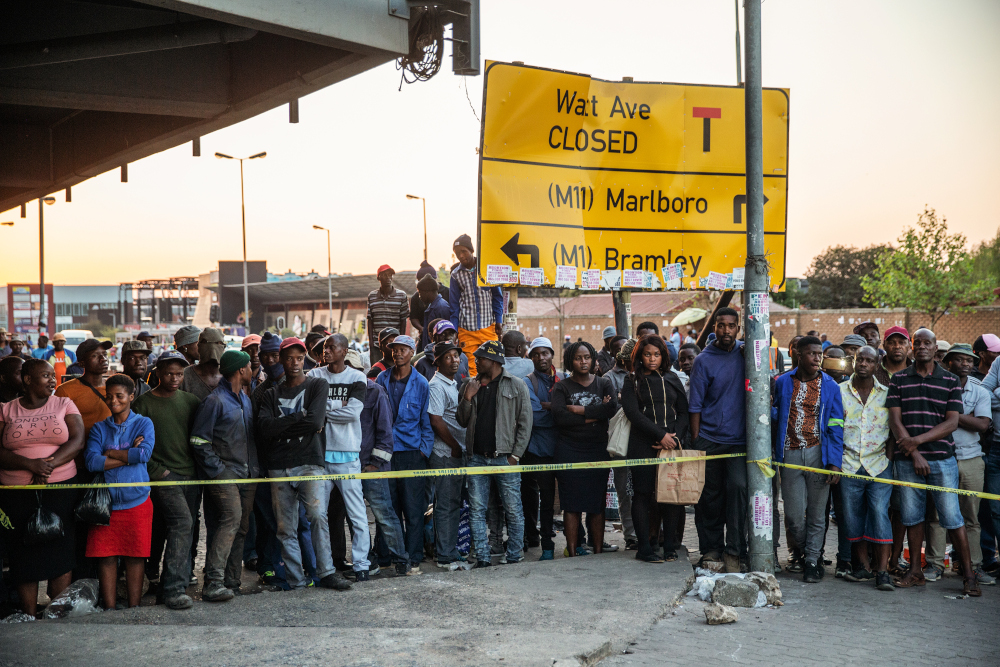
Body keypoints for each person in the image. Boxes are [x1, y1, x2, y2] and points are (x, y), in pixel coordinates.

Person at [886, 328, 980, 596]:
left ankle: (970, 575)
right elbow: (895, 420)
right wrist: (914, 452)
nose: (922, 347)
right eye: (918, 343)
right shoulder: (900, 379)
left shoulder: (950, 380)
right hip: (908, 461)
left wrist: (917, 442)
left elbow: (951, 423)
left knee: (952, 517)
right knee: (912, 517)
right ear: (913, 347)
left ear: (935, 346)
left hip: (942, 459)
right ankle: (915, 571)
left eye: (928, 343)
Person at [258, 337, 350, 591]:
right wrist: (301, 416)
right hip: (278, 466)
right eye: (289, 358)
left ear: (304, 358)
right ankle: (296, 579)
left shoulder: (317, 385)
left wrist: (284, 425)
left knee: (318, 516)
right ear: (281, 360)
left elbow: (316, 421)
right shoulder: (270, 394)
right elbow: (265, 428)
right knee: (285, 527)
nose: (295, 363)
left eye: (299, 358)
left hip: (310, 462)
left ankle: (327, 572)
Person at [0, 359, 85, 617]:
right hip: (17, 493)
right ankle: (28, 611)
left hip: (60, 488)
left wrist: (46, 467)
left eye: (53, 375)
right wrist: (29, 464)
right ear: (27, 379)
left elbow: (78, 440)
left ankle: (56, 612)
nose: (52, 380)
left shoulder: (64, 403)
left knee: (60, 545)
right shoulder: (6, 410)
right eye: (45, 376)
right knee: (23, 549)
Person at [132, 351, 202, 609]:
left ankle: (176, 583)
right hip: (163, 477)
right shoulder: (143, 404)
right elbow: (134, 444)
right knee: (182, 523)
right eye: (170, 373)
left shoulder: (191, 401)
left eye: (179, 373)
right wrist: (158, 471)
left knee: (185, 527)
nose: (175, 378)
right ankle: (171, 589)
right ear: (158, 374)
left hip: (190, 476)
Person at [772, 336, 844, 582]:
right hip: (789, 455)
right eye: (811, 353)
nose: (817, 358)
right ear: (798, 355)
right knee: (793, 516)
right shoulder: (782, 382)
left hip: (818, 455)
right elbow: (773, 414)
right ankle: (803, 552)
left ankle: (813, 561)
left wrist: (834, 462)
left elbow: (836, 425)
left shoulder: (830, 386)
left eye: (819, 354)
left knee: (816, 514)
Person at [189, 349, 260, 601]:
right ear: (241, 370)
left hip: (247, 474)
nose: (253, 370)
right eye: (250, 366)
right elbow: (199, 441)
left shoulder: (245, 399)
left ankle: (232, 581)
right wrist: (218, 472)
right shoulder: (215, 401)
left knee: (241, 527)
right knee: (231, 519)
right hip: (225, 475)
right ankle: (214, 581)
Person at [924, 343, 994, 586]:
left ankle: (973, 567)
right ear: (948, 362)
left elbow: (983, 425)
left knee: (971, 516)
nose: (966, 364)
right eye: (960, 359)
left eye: (970, 360)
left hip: (972, 458)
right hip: (942, 458)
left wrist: (951, 416)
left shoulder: (980, 391)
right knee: (936, 515)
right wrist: (963, 419)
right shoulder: (936, 386)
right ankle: (934, 565)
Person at [84, 374, 155, 609]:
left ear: (131, 397)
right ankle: (110, 609)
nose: (113, 401)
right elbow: (92, 463)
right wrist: (127, 457)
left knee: (136, 557)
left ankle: (134, 608)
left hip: (137, 502)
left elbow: (143, 455)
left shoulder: (144, 423)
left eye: (119, 396)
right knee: (106, 558)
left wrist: (110, 454)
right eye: (109, 396)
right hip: (106, 507)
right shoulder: (98, 428)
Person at [457, 340, 531, 566]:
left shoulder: (516, 385)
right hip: (477, 458)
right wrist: (468, 397)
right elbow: (462, 420)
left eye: (480, 358)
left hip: (505, 458)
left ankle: (514, 555)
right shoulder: (470, 385)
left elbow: (525, 423)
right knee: (477, 511)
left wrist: (515, 456)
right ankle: (483, 557)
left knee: (513, 510)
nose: (476, 362)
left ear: (495, 360)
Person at [688, 307, 748, 571]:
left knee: (738, 489)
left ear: (738, 328)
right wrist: (697, 439)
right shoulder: (703, 360)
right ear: (714, 328)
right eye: (721, 325)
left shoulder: (747, 354)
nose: (726, 330)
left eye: (731, 326)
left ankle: (735, 550)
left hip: (740, 441)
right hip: (710, 439)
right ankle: (711, 549)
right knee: (709, 497)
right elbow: (695, 405)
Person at [309, 333, 372, 582]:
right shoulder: (314, 376)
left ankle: (361, 565)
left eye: (332, 347)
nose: (326, 351)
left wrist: (324, 411)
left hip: (348, 457)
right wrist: (338, 407)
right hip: (320, 458)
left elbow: (354, 413)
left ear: (344, 351)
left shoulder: (357, 377)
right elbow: (310, 411)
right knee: (317, 515)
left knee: (357, 515)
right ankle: (323, 566)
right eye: (325, 348)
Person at [621, 335, 689, 563]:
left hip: (671, 444)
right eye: (647, 354)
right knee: (642, 495)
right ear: (639, 355)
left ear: (663, 356)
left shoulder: (671, 378)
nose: (652, 359)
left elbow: (683, 411)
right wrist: (660, 435)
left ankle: (669, 546)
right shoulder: (632, 380)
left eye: (657, 354)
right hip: (642, 444)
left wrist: (673, 438)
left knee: (670, 496)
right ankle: (644, 548)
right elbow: (633, 413)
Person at [344, 350, 409, 575]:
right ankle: (367, 560)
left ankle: (401, 559)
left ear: (360, 370)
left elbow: (385, 434)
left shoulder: (374, 392)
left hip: (372, 467)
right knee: (356, 519)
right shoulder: (341, 393)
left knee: (385, 515)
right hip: (349, 464)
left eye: (351, 367)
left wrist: (373, 464)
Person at [836, 346, 895, 590]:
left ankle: (883, 571)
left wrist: (888, 459)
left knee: (880, 513)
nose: (863, 364)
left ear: (877, 364)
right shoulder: (839, 391)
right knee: (852, 517)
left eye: (869, 360)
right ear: (853, 361)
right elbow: (833, 428)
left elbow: (893, 430)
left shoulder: (887, 394)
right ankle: (863, 567)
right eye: (860, 359)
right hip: (848, 465)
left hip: (879, 465)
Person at [550, 340, 616, 558]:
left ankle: (597, 551)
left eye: (587, 357)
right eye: (578, 358)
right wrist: (592, 416)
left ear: (593, 359)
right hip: (569, 449)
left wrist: (579, 410)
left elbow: (610, 408)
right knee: (572, 504)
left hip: (598, 449)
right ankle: (572, 549)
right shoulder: (562, 387)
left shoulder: (604, 383)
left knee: (597, 504)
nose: (583, 361)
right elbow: (560, 417)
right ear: (570, 361)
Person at [375, 334, 433, 572]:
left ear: (411, 353)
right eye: (394, 350)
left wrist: (423, 452)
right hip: (386, 453)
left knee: (413, 509)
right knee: (388, 508)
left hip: (411, 453)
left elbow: (426, 423)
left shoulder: (421, 383)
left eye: (402, 350)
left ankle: (414, 556)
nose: (397, 353)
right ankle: (386, 556)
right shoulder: (382, 379)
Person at [427, 341, 468, 570]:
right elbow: (436, 420)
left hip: (454, 452)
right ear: (438, 361)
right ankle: (445, 555)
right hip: (445, 453)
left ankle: (448, 550)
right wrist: (454, 446)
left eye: (456, 356)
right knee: (445, 505)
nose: (454, 360)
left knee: (451, 504)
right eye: (448, 357)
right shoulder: (436, 386)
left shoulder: (452, 383)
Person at [521, 337, 563, 560]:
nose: (541, 358)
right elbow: (533, 417)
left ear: (552, 354)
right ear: (531, 358)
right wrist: (560, 412)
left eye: (545, 353)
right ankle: (547, 544)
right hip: (538, 451)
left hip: (564, 448)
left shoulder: (563, 379)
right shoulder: (527, 382)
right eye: (536, 354)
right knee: (546, 500)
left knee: (569, 498)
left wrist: (552, 409)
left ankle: (579, 541)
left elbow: (564, 415)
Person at [449, 234, 503, 376]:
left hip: (488, 327)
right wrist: (454, 331)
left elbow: (497, 297)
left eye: (463, 251)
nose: (460, 256)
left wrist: (499, 321)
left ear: (471, 251)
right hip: (466, 330)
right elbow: (454, 306)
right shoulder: (455, 275)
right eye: (457, 253)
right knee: (472, 369)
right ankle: (475, 397)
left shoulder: (486, 269)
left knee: (493, 363)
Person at [55, 338, 114, 437]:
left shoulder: (113, 387)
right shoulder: (65, 391)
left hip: (110, 448)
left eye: (104, 354)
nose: (103, 358)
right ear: (82, 363)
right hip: (80, 448)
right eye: (95, 355)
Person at [367, 264, 409, 366]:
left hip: (395, 344)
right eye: (385, 275)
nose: (388, 277)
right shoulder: (372, 296)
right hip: (377, 345)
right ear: (379, 278)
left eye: (390, 275)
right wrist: (371, 342)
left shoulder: (401, 296)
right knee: (377, 371)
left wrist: (401, 340)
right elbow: (370, 320)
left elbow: (403, 320)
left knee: (396, 370)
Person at [180, 327, 225, 401]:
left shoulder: (229, 376)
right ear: (199, 347)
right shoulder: (185, 376)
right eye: (206, 343)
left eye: (218, 343)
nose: (213, 349)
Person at [416, 273, 451, 350]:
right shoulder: (432, 306)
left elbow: (446, 335)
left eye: (420, 293)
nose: (419, 296)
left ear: (427, 292)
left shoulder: (442, 307)